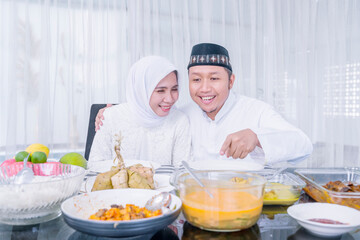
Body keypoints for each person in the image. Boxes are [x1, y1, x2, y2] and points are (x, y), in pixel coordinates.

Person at [95, 43, 313, 165]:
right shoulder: (181, 113)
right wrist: (111, 114)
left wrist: (256, 137)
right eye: (196, 79)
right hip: (195, 207)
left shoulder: (256, 110)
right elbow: (149, 112)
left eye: (215, 78)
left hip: (244, 203)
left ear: (231, 81)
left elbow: (303, 145)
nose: (205, 89)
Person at [88, 56, 192, 169]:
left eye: (174, 89)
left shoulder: (179, 121)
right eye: (160, 90)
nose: (170, 98)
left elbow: (182, 172)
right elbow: (95, 166)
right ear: (141, 90)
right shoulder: (111, 116)